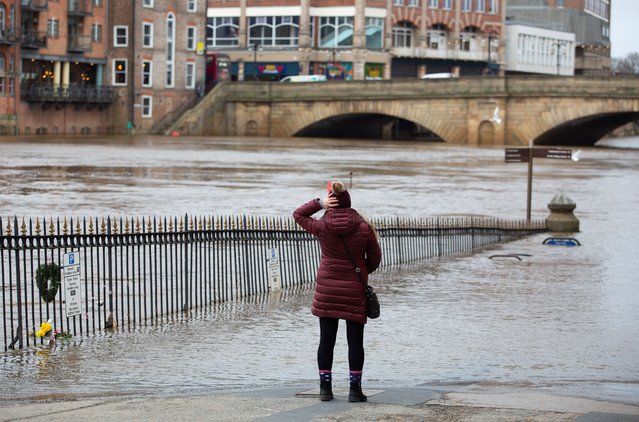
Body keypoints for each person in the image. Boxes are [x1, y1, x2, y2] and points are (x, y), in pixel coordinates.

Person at [293, 180, 382, 402]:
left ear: (331, 204)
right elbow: (375, 259)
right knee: (355, 342)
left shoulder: (322, 226)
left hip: (327, 289)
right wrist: (360, 271)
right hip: (354, 289)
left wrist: (319, 203)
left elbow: (298, 215)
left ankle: (325, 389)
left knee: (326, 340)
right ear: (349, 202)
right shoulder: (363, 228)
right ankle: (354, 391)